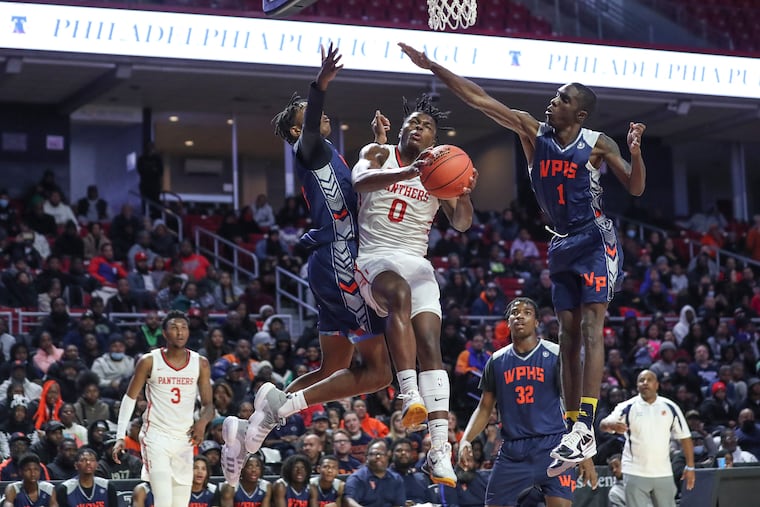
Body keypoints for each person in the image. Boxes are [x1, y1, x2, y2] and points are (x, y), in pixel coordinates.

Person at [399, 42, 647, 467]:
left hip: (594, 238)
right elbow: (479, 99)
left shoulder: (597, 142)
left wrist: (636, 151)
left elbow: (636, 187)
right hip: (559, 242)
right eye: (555, 96)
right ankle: (575, 428)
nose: (553, 101)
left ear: (580, 114)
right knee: (567, 337)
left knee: (590, 328)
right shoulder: (533, 130)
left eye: (563, 99)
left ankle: (586, 425)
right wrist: (432, 65)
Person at [221, 44, 392, 487]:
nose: (321, 118)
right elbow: (314, 117)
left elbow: (362, 200)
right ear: (300, 128)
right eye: (310, 116)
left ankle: (250, 428)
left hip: (330, 262)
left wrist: (382, 146)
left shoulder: (329, 154)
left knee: (331, 369)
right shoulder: (309, 148)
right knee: (378, 372)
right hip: (339, 261)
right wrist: (319, 85)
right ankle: (272, 412)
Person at [348, 88, 477, 486]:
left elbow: (462, 224)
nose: (419, 127)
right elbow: (359, 183)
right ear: (401, 131)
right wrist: (407, 172)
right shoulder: (378, 152)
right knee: (400, 294)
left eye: (427, 126)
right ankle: (408, 393)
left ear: (434, 139)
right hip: (374, 258)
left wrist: (464, 193)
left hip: (417, 261)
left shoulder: (441, 171)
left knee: (431, 348)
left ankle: (439, 451)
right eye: (414, 123)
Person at [457, 298, 596, 507]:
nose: (519, 315)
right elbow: (485, 408)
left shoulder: (556, 354)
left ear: (537, 321)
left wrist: (584, 452)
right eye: (514, 312)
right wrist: (466, 439)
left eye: (527, 312)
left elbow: (574, 405)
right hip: (513, 451)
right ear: (508, 321)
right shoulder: (496, 360)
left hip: (553, 445)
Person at [111, 310, 215, 507]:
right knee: (164, 501)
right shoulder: (149, 361)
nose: (180, 332)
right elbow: (129, 399)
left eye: (184, 328)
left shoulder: (200, 363)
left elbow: (209, 406)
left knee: (180, 504)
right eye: (174, 328)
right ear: (164, 333)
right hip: (156, 436)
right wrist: (119, 436)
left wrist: (202, 423)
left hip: (185, 439)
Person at [600, 370, 695, 507]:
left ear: (656, 385)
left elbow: (685, 437)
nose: (645, 383)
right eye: (641, 380)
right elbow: (603, 425)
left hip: (663, 472)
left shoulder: (670, 407)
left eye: (649, 380)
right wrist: (611, 424)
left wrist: (690, 467)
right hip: (634, 471)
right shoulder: (627, 406)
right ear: (637, 386)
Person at [343, 439, 405, 507]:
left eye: (381, 453)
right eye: (374, 454)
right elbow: (349, 501)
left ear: (388, 456)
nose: (378, 457)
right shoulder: (357, 478)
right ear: (367, 457)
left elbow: (399, 504)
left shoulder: (396, 479)